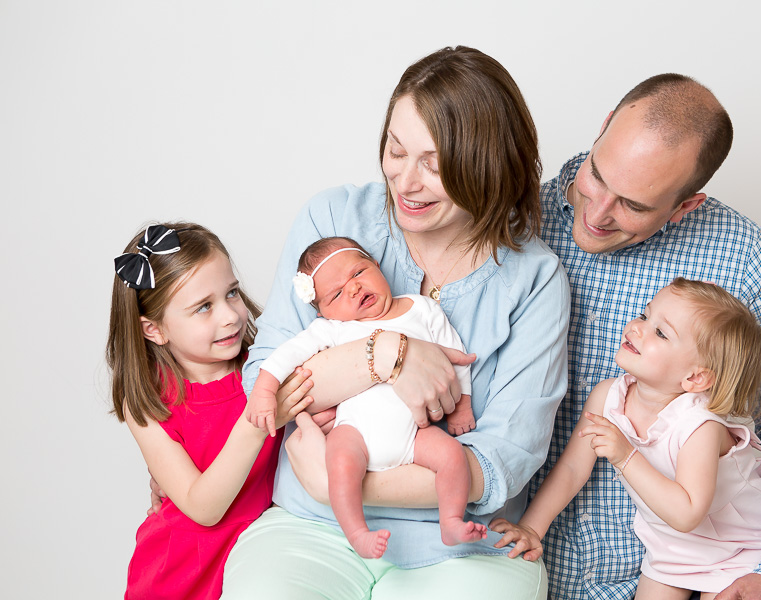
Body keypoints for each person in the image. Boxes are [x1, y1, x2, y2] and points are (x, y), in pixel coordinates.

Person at [221, 46, 570, 599]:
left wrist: (332, 479)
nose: (405, 182)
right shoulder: (333, 221)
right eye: (395, 150)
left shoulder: (535, 278)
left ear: (488, 163)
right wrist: (385, 356)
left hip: (464, 548)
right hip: (315, 528)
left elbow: (504, 459)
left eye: (433, 164)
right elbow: (268, 379)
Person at [535, 74, 761, 600]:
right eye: (597, 175)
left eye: (634, 205)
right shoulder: (512, 219)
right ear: (604, 126)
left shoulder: (737, 253)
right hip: (520, 567)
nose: (599, 212)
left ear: (685, 205)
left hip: (680, 578)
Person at [493, 279, 761, 599]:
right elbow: (573, 468)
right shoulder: (608, 397)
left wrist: (626, 456)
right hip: (671, 547)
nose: (637, 327)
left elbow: (687, 512)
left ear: (695, 377)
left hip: (738, 549)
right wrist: (532, 528)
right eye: (645, 315)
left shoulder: (700, 426)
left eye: (660, 332)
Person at [246, 236, 486, 559]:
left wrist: (462, 405)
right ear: (324, 310)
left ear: (375, 264)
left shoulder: (421, 309)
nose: (354, 289)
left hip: (415, 435)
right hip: (355, 432)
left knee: (453, 457)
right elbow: (286, 355)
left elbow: (455, 357)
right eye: (336, 293)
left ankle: (451, 520)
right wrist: (264, 389)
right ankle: (357, 532)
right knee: (339, 466)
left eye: (357, 273)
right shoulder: (333, 329)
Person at [107, 223, 312, 599]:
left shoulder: (265, 368)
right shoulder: (147, 401)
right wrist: (260, 419)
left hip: (266, 556)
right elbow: (203, 507)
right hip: (181, 572)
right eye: (204, 307)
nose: (231, 315)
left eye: (231, 293)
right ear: (154, 330)